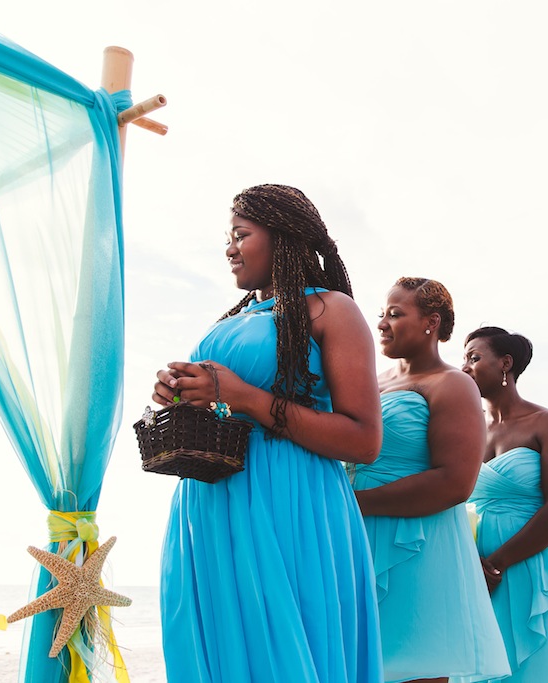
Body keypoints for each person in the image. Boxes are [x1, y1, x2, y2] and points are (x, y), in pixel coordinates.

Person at [152, 184, 383, 682]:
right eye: (228, 237)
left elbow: (364, 441)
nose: (229, 248)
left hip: (291, 503)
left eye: (241, 234)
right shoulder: (236, 317)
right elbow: (224, 401)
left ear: (282, 237)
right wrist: (184, 393)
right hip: (211, 503)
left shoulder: (330, 309)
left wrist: (244, 396)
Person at [350, 278, 509, 683]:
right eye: (382, 313)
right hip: (353, 535)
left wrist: (355, 503)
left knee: (416, 663)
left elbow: (456, 482)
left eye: (396, 313)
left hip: (418, 541)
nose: (382, 323)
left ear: (430, 322)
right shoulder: (374, 381)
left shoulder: (453, 384)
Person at [460, 327, 548, 683]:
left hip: (533, 558)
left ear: (506, 363)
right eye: (463, 358)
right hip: (476, 562)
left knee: (542, 669)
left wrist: (496, 564)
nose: (465, 367)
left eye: (474, 357)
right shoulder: (469, 429)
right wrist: (472, 562)